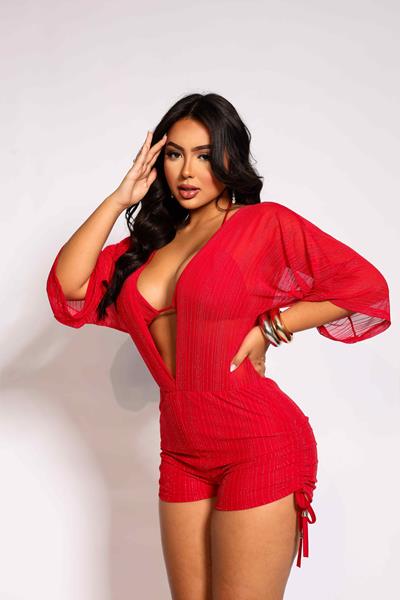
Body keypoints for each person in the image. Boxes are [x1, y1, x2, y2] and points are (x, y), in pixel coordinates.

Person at [46, 93, 391, 599]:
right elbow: (69, 287)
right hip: (181, 451)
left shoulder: (263, 225)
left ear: (230, 158)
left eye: (204, 155)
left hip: (258, 444)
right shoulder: (147, 246)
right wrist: (120, 198)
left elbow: (365, 288)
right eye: (175, 154)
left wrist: (271, 327)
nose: (187, 171)